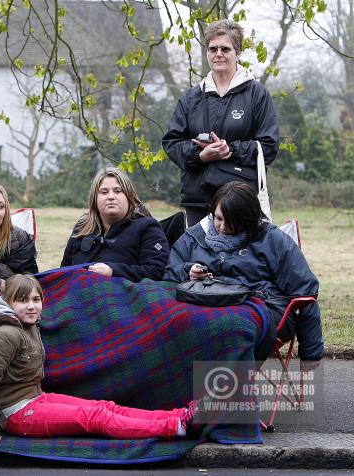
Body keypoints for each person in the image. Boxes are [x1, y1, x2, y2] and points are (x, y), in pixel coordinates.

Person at [0, 274, 202, 444]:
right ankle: (175, 427)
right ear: (8, 302)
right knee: (96, 417)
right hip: (17, 414)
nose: (32, 307)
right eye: (23, 300)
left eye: (36, 300)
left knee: (104, 407)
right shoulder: (4, 334)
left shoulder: (23, 324)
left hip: (35, 398)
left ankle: (179, 415)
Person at [163, 181, 324, 363]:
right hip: (202, 304)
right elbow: (168, 275)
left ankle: (221, 388)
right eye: (218, 218)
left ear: (248, 219)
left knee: (229, 327)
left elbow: (306, 294)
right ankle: (183, 387)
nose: (222, 228)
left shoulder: (272, 239)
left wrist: (311, 356)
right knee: (172, 323)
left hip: (261, 307)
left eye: (231, 222)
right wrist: (187, 272)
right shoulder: (193, 237)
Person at [162, 19, 279, 227]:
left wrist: (229, 150)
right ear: (207, 52)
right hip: (198, 199)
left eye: (225, 49)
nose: (218, 54)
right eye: (213, 48)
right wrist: (199, 155)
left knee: (238, 259)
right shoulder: (191, 98)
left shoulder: (257, 94)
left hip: (239, 201)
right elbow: (172, 142)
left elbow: (268, 146)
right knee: (200, 258)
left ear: (238, 52)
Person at [60, 167, 170, 282]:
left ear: (129, 196)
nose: (111, 197)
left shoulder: (147, 227)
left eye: (118, 191)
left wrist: (114, 271)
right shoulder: (82, 227)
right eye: (104, 192)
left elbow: (157, 271)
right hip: (77, 293)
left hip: (123, 296)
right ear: (94, 199)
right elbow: (64, 271)